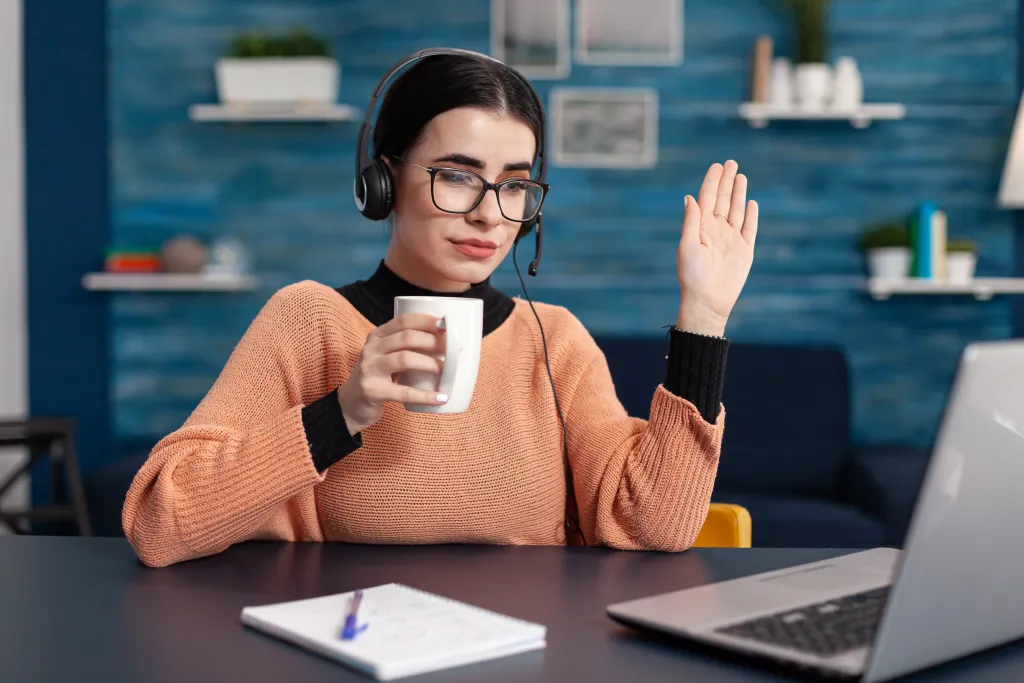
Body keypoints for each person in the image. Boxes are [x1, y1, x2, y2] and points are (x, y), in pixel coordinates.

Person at [122, 50, 758, 568]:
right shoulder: (308, 320)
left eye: (514, 184)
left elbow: (657, 527)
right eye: (457, 175)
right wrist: (338, 414)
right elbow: (158, 524)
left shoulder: (554, 340)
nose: (489, 212)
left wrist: (703, 314)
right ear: (382, 179)